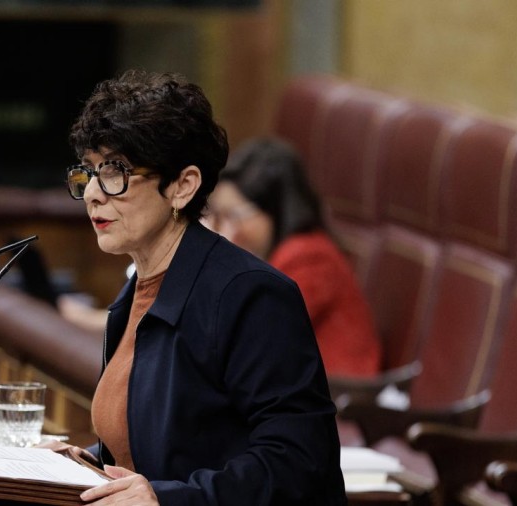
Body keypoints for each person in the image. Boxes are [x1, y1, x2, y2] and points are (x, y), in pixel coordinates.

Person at [49, 70, 346, 505]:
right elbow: (166, 449)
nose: (93, 192)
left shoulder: (250, 295)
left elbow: (299, 464)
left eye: (114, 171)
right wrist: (85, 463)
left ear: (183, 186)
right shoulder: (134, 296)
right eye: (89, 172)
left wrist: (165, 500)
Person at [207, 138, 383, 378]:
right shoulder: (276, 253)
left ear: (274, 209)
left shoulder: (309, 256)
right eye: (218, 215)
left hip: (340, 393)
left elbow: (250, 336)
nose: (226, 229)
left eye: (234, 216)